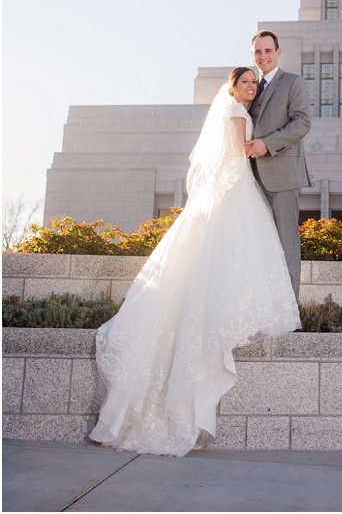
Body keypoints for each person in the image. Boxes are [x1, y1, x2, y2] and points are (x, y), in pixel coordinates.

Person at [89, 67, 301, 456]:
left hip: (227, 190)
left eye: (254, 82)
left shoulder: (232, 110)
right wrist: (261, 149)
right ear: (232, 87)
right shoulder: (237, 113)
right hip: (235, 190)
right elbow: (239, 155)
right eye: (246, 82)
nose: (252, 87)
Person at [246, 30, 312, 299]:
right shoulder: (249, 87)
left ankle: (288, 312)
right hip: (251, 179)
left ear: (278, 52)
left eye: (268, 51)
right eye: (258, 52)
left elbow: (302, 122)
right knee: (259, 246)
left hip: (282, 176)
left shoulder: (293, 83)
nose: (263, 56)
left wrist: (267, 143)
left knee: (286, 246)